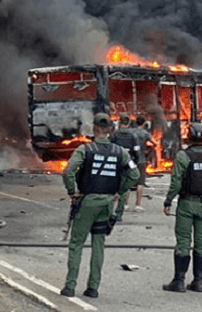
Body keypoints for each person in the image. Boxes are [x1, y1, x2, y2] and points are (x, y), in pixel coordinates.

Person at [60, 113, 139, 299]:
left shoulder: (85, 150)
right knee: (98, 244)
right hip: (107, 203)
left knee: (76, 244)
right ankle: (93, 288)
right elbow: (134, 174)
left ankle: (70, 286)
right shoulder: (121, 152)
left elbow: (68, 171)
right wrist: (120, 189)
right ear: (110, 129)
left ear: (94, 128)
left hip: (87, 201)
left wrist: (72, 191)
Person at [162, 121, 202, 293]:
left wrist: (168, 201)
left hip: (187, 204)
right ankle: (198, 281)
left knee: (183, 242)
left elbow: (176, 182)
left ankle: (179, 281)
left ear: (188, 136)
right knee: (201, 243)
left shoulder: (183, 156)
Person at [109, 115, 145, 212]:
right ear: (128, 123)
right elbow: (136, 149)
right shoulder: (133, 135)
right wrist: (135, 162)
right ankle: (134, 205)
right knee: (129, 182)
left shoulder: (114, 134)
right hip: (129, 162)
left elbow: (109, 148)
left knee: (118, 183)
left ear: (120, 122)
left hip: (117, 162)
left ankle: (124, 204)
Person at [131, 115, 153, 210]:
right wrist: (149, 149)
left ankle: (125, 204)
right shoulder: (145, 133)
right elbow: (154, 143)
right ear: (144, 123)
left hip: (131, 160)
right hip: (141, 159)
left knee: (128, 182)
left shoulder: (131, 132)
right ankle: (138, 205)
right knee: (140, 183)